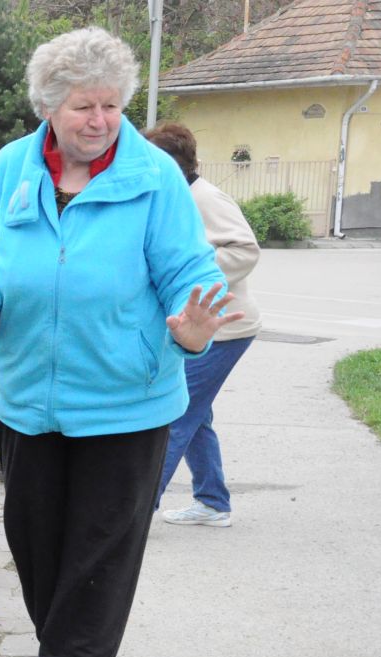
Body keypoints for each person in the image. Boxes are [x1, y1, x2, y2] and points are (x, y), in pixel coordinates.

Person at [0, 27, 239, 657]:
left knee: (100, 547)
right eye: (83, 106)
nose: (100, 120)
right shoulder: (12, 168)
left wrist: (193, 325)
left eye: (111, 105)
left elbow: (188, 271)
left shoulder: (153, 176)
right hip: (28, 398)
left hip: (125, 400)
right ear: (49, 106)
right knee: (35, 539)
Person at [144, 122, 262, 528]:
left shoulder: (206, 198)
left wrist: (191, 274)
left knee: (176, 416)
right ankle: (213, 502)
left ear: (172, 164)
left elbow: (245, 249)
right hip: (198, 329)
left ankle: (137, 512)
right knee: (196, 416)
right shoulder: (176, 198)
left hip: (224, 329)